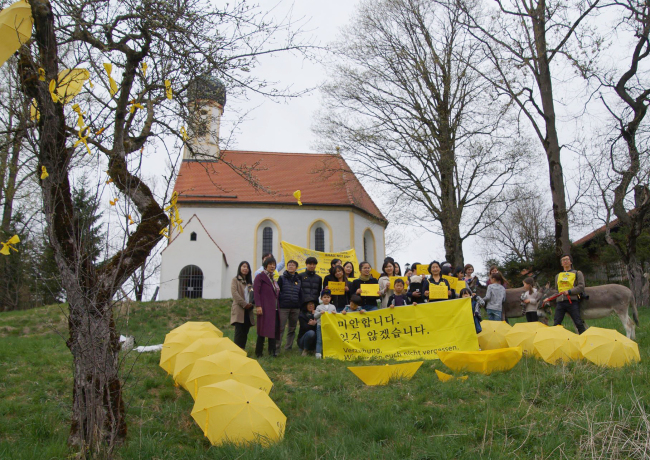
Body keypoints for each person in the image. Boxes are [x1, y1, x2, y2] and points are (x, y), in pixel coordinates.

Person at [549, 254, 586, 334]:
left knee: (578, 322)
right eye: (563, 260)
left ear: (571, 262)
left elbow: (581, 286)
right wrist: (549, 298)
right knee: (556, 324)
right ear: (561, 263)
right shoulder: (558, 276)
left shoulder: (577, 273)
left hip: (572, 301)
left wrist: (569, 291)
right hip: (560, 302)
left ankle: (584, 340)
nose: (565, 261)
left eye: (566, 259)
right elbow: (556, 290)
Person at [253, 256, 281, 358]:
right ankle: (258, 352)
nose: (272, 266)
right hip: (264, 308)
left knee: (272, 329)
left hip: (274, 308)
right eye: (270, 264)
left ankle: (272, 352)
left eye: (274, 264)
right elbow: (256, 292)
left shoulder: (273, 278)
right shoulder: (260, 277)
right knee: (262, 330)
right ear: (265, 266)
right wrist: (258, 306)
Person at [276, 259, 302, 354]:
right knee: (280, 328)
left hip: (295, 307)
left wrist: (299, 303)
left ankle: (288, 347)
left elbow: (300, 293)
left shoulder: (299, 279)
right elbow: (278, 292)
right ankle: (276, 348)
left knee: (292, 328)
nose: (291, 266)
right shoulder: (282, 278)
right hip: (284, 307)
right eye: (289, 265)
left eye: (293, 265)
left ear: (296, 267)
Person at [230, 261, 256, 350]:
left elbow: (252, 295)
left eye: (247, 267)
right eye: (243, 266)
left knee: (245, 332)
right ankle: (236, 351)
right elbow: (235, 294)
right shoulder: (235, 280)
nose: (245, 269)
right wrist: (245, 304)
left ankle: (242, 350)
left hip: (248, 311)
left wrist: (252, 304)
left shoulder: (250, 283)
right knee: (239, 332)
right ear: (240, 268)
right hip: (240, 309)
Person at [314, 289, 337, 358]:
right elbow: (315, 316)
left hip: (329, 326)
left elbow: (336, 317)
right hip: (320, 325)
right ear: (321, 298)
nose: (326, 299)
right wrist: (320, 313)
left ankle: (329, 352)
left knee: (329, 339)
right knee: (319, 339)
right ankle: (318, 353)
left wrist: (334, 314)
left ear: (330, 298)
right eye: (324, 297)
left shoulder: (333, 307)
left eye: (328, 297)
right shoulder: (319, 307)